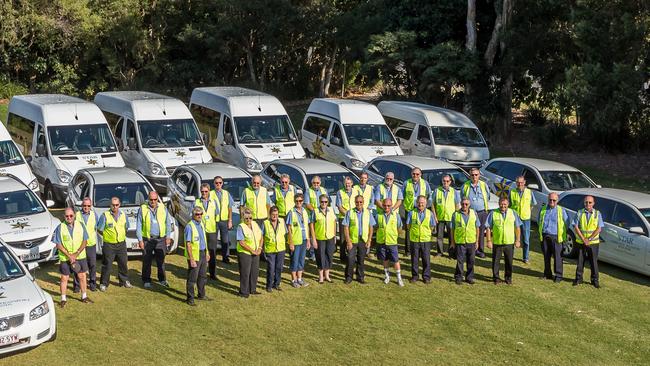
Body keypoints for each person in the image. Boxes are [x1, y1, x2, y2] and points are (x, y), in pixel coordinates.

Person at [53, 207, 92, 308]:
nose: (69, 218)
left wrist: (76, 254)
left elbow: (85, 241)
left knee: (82, 276)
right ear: (64, 216)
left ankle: (84, 296)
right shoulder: (60, 227)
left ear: (74, 215)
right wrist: (69, 255)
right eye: (67, 216)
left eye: (71, 216)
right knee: (64, 278)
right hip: (65, 258)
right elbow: (58, 244)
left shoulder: (81, 225)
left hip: (80, 256)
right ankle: (63, 299)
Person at [137, 191, 173, 289]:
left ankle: (162, 280)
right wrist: (140, 240)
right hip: (148, 239)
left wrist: (168, 236)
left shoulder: (163, 207)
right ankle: (146, 280)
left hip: (160, 239)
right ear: (148, 199)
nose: (153, 201)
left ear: (157, 199)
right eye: (151, 199)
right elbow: (139, 225)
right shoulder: (143, 209)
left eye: (155, 199)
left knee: (161, 261)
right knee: (147, 261)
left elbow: (168, 223)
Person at [485, 197, 522, 285]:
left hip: (509, 242)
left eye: (505, 204)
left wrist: (518, 240)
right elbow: (488, 228)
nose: (503, 206)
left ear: (508, 204)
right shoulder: (493, 213)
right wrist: (489, 241)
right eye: (501, 204)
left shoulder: (513, 213)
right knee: (496, 261)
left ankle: (508, 278)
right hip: (497, 242)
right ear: (498, 204)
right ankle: (496, 278)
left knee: (509, 262)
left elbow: (517, 227)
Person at [97, 197, 131, 291]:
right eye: (113, 205)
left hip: (121, 244)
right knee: (107, 265)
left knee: (123, 263)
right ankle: (104, 283)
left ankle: (124, 281)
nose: (115, 207)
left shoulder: (124, 215)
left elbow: (126, 227)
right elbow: (100, 229)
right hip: (109, 245)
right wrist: (108, 237)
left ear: (119, 205)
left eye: (117, 205)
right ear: (110, 205)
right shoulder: (105, 215)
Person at [342, 195, 375, 284]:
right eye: (357, 202)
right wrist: (348, 241)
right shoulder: (349, 212)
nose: (359, 204)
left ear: (363, 202)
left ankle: (360, 277)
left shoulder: (368, 213)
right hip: (352, 240)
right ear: (354, 202)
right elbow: (346, 227)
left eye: (361, 202)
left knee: (361, 260)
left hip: (363, 240)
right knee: (350, 259)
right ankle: (349, 277)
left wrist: (369, 240)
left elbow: (371, 227)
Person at [572, 195, 604, 288]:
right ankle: (578, 279)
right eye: (586, 202)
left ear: (593, 203)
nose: (588, 204)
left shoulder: (597, 214)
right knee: (580, 261)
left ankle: (595, 281)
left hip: (593, 243)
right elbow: (576, 227)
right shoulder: (579, 213)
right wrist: (583, 239)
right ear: (584, 203)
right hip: (581, 242)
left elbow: (599, 229)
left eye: (590, 202)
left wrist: (589, 239)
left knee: (593, 262)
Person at [538, 192, 570, 283]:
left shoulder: (561, 210)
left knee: (558, 257)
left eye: (554, 200)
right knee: (546, 256)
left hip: (556, 237)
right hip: (545, 236)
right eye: (550, 200)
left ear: (557, 200)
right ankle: (547, 274)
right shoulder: (543, 209)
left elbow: (566, 224)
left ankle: (558, 276)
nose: (552, 201)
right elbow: (538, 221)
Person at [406, 196, 437, 283]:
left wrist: (425, 232)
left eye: (422, 202)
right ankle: (415, 276)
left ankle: (426, 277)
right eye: (419, 202)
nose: (421, 204)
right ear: (416, 203)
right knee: (414, 259)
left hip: (425, 240)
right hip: (414, 240)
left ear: (426, 203)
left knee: (426, 259)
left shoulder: (430, 213)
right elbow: (408, 225)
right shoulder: (411, 213)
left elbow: (432, 226)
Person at [461, 168, 491, 258]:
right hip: (470, 213)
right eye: (472, 175)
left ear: (479, 175)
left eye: (476, 175)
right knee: (469, 231)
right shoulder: (465, 186)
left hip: (482, 212)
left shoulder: (483, 185)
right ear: (469, 176)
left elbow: (488, 197)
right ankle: (469, 249)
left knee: (481, 232)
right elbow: (462, 197)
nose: (474, 177)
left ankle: (480, 251)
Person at [450, 198, 480, 285]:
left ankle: (469, 277)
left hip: (471, 241)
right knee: (460, 261)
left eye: (466, 204)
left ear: (469, 205)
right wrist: (452, 242)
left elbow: (477, 228)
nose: (464, 206)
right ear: (460, 204)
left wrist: (477, 241)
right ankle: (459, 277)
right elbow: (452, 229)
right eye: (463, 204)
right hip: (460, 241)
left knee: (471, 260)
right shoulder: (455, 214)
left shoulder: (474, 213)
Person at [402, 167, 431, 256]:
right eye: (413, 174)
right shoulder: (406, 183)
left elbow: (429, 195)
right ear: (411, 174)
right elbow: (402, 196)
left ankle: (420, 249)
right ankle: (408, 250)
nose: (415, 175)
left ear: (420, 175)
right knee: (408, 229)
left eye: (417, 174)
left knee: (420, 228)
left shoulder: (425, 183)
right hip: (410, 210)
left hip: (421, 209)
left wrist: (426, 206)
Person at [375, 198, 404, 286]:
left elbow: (399, 228)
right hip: (381, 241)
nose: (386, 207)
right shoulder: (378, 215)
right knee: (385, 259)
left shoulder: (396, 215)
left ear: (391, 206)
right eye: (384, 205)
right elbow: (375, 227)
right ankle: (387, 276)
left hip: (392, 242)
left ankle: (399, 278)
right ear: (382, 205)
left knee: (395, 260)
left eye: (389, 205)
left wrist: (395, 236)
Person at [185, 206, 210, 306]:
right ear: (193, 215)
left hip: (203, 253)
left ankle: (201, 294)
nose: (199, 216)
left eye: (200, 214)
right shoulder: (189, 226)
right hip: (195, 255)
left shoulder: (201, 224)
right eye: (197, 214)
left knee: (203, 276)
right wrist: (191, 259)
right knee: (192, 278)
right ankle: (190, 298)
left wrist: (207, 252)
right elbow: (188, 244)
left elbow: (204, 240)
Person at [509, 175, 537, 263]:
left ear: (524, 182)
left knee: (526, 239)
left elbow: (533, 204)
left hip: (525, 219)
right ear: (516, 183)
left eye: (521, 182)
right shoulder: (512, 192)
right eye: (518, 183)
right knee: (513, 238)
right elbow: (509, 205)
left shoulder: (529, 192)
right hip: (515, 218)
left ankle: (525, 258)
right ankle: (510, 255)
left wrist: (527, 211)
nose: (519, 184)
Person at [309, 194, 337, 284]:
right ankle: (321, 276)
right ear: (319, 202)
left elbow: (334, 222)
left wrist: (334, 235)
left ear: (328, 202)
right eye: (322, 202)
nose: (324, 203)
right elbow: (311, 225)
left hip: (330, 237)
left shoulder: (331, 210)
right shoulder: (315, 211)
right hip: (319, 238)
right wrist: (313, 239)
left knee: (329, 256)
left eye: (325, 202)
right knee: (320, 256)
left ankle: (327, 276)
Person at [195, 183, 220, 280]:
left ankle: (213, 274)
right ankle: (201, 273)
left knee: (212, 253)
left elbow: (217, 215)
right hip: (200, 231)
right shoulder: (197, 202)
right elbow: (192, 215)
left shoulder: (214, 202)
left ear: (209, 191)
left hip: (212, 231)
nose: (204, 193)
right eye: (202, 192)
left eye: (206, 191)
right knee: (201, 252)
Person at [236, 207, 263, 298]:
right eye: (246, 218)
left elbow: (261, 236)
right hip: (245, 253)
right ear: (243, 218)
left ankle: (253, 289)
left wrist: (259, 248)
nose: (248, 220)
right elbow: (241, 242)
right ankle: (243, 292)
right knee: (245, 273)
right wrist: (252, 251)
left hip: (256, 252)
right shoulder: (241, 226)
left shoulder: (255, 224)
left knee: (254, 272)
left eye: (250, 218)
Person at [73, 198, 98, 292]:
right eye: (84, 206)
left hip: (91, 244)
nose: (86, 207)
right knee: (78, 265)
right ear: (81, 206)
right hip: (79, 244)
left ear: (90, 206)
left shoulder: (94, 214)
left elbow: (97, 227)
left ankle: (92, 283)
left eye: (88, 206)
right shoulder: (77, 215)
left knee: (92, 265)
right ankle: (77, 285)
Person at [286, 193, 311, 288]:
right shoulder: (291, 212)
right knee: (294, 261)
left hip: (304, 239)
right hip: (295, 240)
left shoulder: (305, 211)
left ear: (303, 201)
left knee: (301, 260)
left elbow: (307, 226)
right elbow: (288, 228)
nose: (298, 203)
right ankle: (294, 279)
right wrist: (290, 242)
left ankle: (300, 279)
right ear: (294, 201)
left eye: (300, 201)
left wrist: (308, 239)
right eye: (297, 201)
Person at [432, 175, 460, 257]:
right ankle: (440, 252)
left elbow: (457, 205)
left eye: (447, 181)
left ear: (450, 182)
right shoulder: (437, 191)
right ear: (442, 181)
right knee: (439, 236)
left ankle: (451, 253)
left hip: (450, 218)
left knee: (451, 237)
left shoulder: (454, 191)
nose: (445, 182)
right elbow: (433, 204)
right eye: (444, 181)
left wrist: (456, 217)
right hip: (440, 217)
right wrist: (435, 216)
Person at [262, 206, 287, 292]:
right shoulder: (265, 223)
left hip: (281, 249)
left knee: (279, 268)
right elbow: (262, 236)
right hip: (270, 250)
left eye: (276, 214)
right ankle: (269, 285)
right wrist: (261, 248)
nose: (275, 216)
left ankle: (276, 284)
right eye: (273, 214)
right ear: (270, 214)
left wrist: (290, 242)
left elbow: (286, 233)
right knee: (271, 268)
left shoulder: (282, 221)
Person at [210, 176, 234, 264]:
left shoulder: (226, 193)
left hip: (224, 220)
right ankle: (212, 257)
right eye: (216, 183)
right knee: (213, 240)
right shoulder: (210, 194)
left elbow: (230, 208)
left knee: (225, 240)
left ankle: (226, 257)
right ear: (214, 184)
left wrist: (230, 220)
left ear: (222, 183)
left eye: (220, 183)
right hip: (214, 221)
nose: (218, 184)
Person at [305, 175, 327, 261]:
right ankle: (312, 254)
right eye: (314, 183)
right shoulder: (308, 191)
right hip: (312, 216)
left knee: (320, 233)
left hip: (322, 216)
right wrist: (316, 211)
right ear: (312, 183)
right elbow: (307, 204)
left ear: (320, 183)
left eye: (317, 183)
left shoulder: (323, 190)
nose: (316, 184)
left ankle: (320, 251)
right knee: (312, 234)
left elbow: (327, 202)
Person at [336, 177, 355, 261]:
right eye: (346, 183)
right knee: (343, 239)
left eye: (349, 183)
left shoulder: (356, 191)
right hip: (343, 218)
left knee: (353, 237)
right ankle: (343, 257)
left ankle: (351, 255)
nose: (347, 185)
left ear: (352, 183)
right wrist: (348, 215)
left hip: (354, 218)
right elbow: (339, 207)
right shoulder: (340, 192)